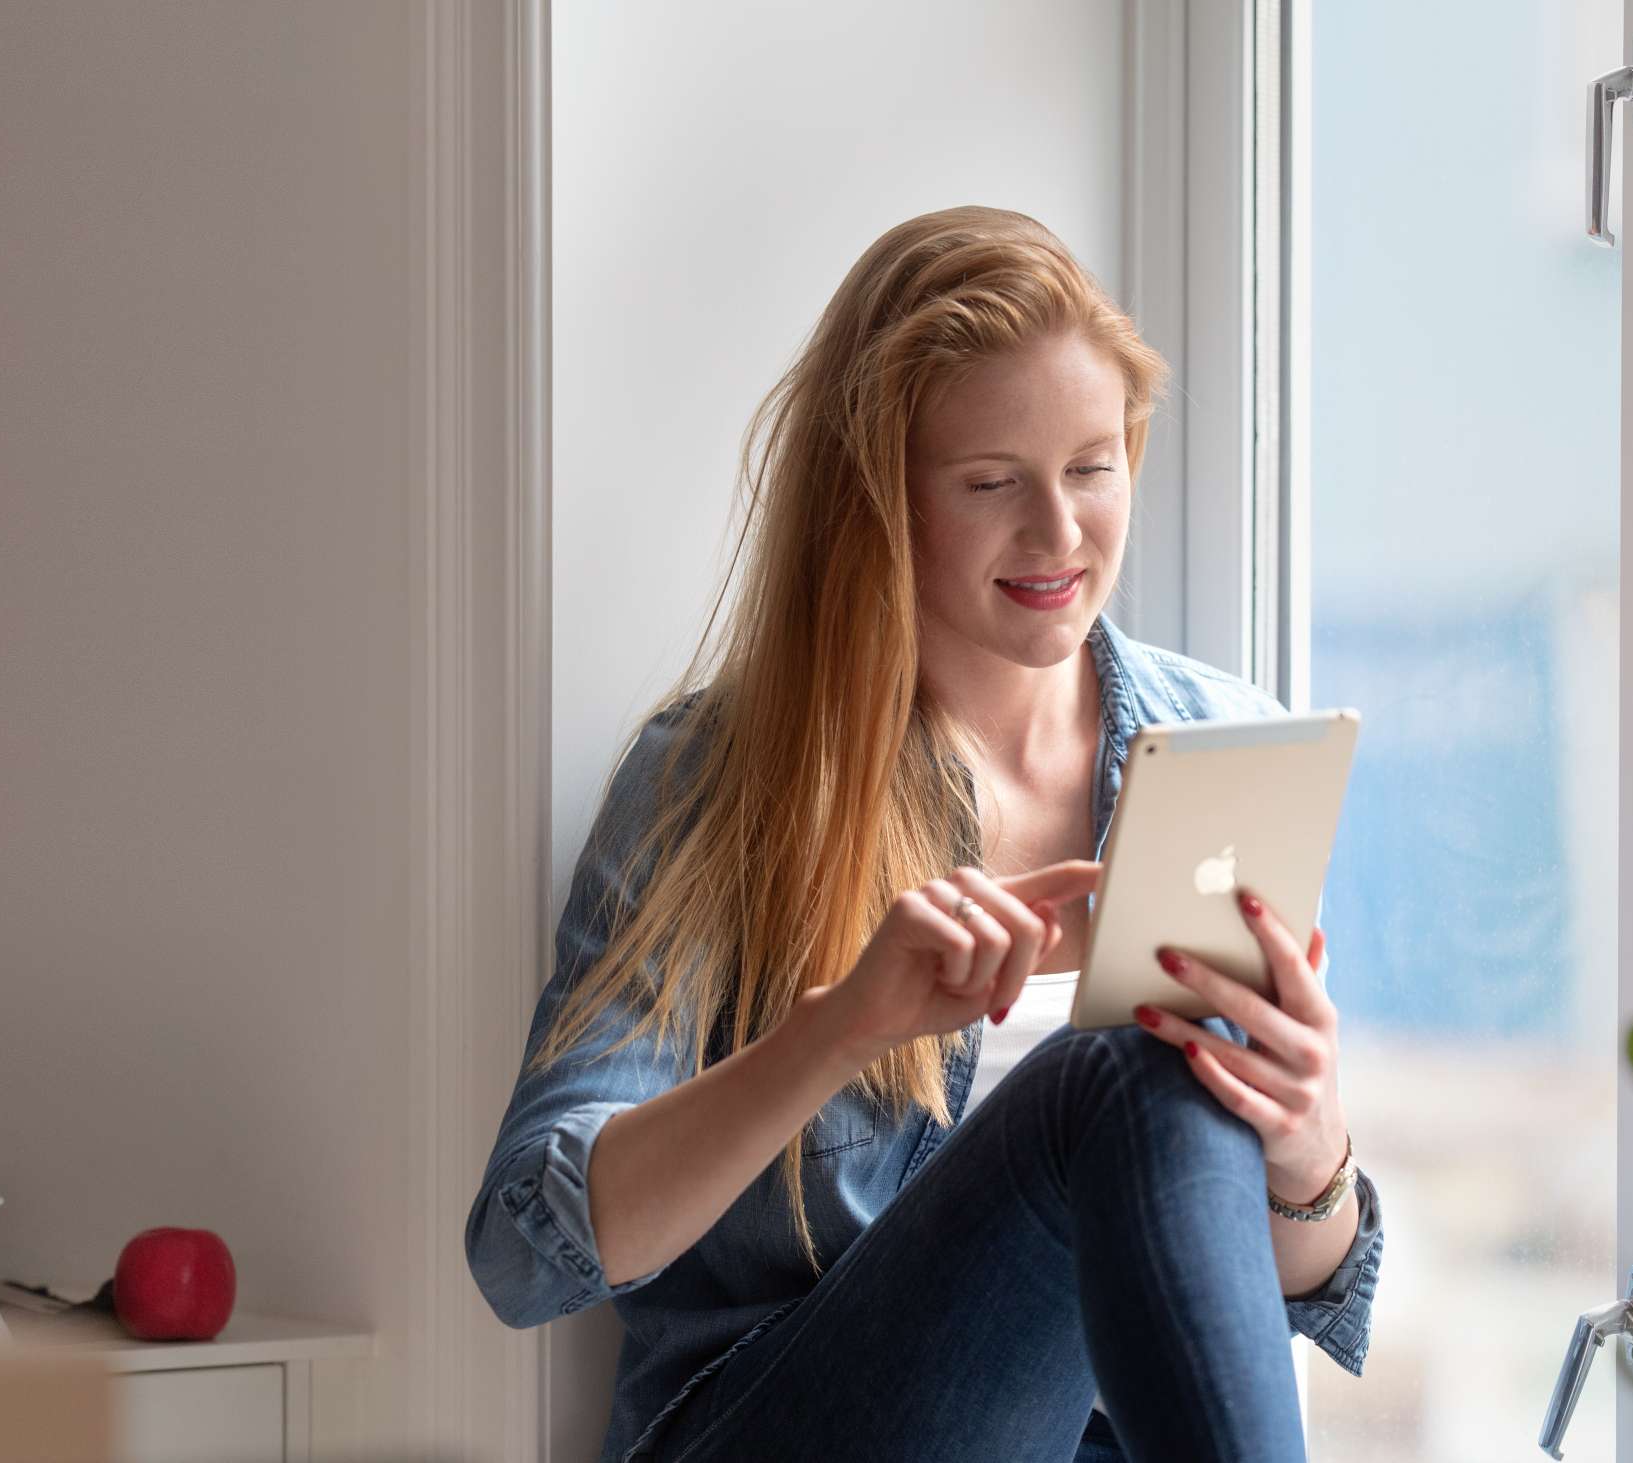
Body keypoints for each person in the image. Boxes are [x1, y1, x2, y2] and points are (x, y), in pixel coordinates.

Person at [466, 206, 1382, 1463]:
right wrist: (836, 1027)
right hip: (775, 1428)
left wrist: (1304, 1139)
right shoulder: (722, 778)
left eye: (1092, 465)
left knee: (1159, 1073)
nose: (1059, 534)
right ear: (880, 502)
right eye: (992, 483)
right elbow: (526, 1246)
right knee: (1108, 1075)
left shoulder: (1224, 741)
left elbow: (1297, 1289)